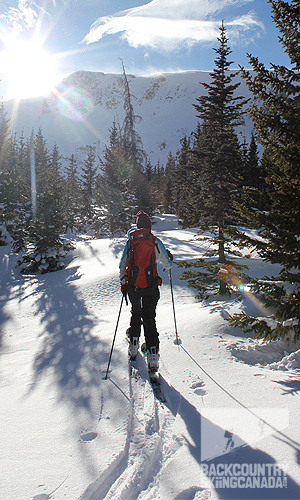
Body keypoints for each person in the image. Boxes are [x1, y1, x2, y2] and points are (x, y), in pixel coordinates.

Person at [119, 210, 173, 373]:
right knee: (149, 318)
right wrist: (168, 259)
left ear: (137, 226)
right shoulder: (154, 241)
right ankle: (153, 356)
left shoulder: (131, 242)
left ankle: (133, 347)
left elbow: (122, 264)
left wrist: (123, 282)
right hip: (150, 287)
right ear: (149, 226)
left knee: (136, 314)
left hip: (133, 287)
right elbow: (168, 264)